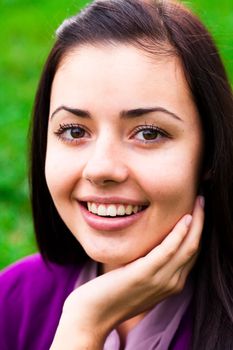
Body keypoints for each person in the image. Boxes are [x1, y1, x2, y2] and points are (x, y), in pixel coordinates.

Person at [1, 0, 233, 349]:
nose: (101, 169)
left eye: (149, 133)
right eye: (75, 131)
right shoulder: (13, 299)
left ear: (210, 155)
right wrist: (83, 325)